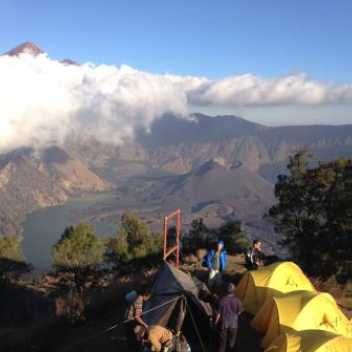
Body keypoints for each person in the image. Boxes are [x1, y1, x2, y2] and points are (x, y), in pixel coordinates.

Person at [214, 283, 243, 352]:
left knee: (222, 343)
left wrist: (215, 323)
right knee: (231, 342)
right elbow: (239, 312)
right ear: (234, 291)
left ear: (226, 291)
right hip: (234, 325)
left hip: (224, 324)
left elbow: (218, 314)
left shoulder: (221, 300)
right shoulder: (238, 301)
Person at [124, 286, 152, 352]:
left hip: (128, 321)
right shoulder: (139, 300)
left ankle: (133, 349)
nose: (148, 299)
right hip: (130, 322)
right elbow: (136, 316)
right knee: (136, 339)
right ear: (145, 296)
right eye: (148, 297)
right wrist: (145, 324)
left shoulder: (138, 298)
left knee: (131, 339)